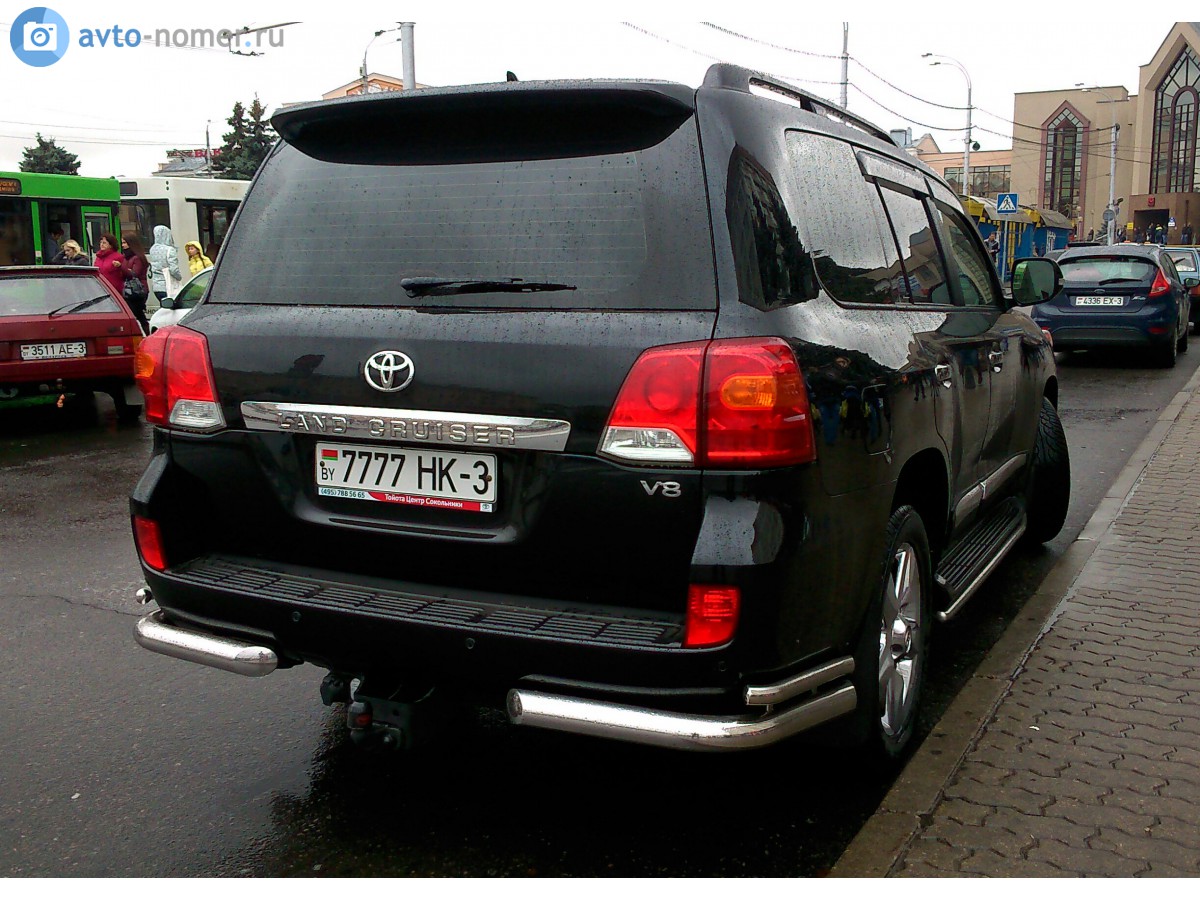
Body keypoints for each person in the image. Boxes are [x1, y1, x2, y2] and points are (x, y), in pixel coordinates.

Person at [120, 233, 151, 333]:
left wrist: (121, 267)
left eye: (124, 243)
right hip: (129, 291)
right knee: (139, 315)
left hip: (138, 291)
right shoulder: (126, 257)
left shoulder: (137, 258)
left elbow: (134, 274)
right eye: (122, 243)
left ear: (131, 243)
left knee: (136, 314)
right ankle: (146, 333)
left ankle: (145, 333)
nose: (123, 245)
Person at [147, 225, 182, 302]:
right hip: (168, 287)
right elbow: (174, 269)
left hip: (156, 287)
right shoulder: (170, 250)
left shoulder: (152, 249)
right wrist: (179, 277)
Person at [93, 232, 126, 296]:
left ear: (111, 245)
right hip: (100, 288)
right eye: (100, 242)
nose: (101, 244)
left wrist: (119, 266)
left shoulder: (118, 257)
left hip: (114, 290)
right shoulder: (98, 257)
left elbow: (124, 272)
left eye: (104, 243)